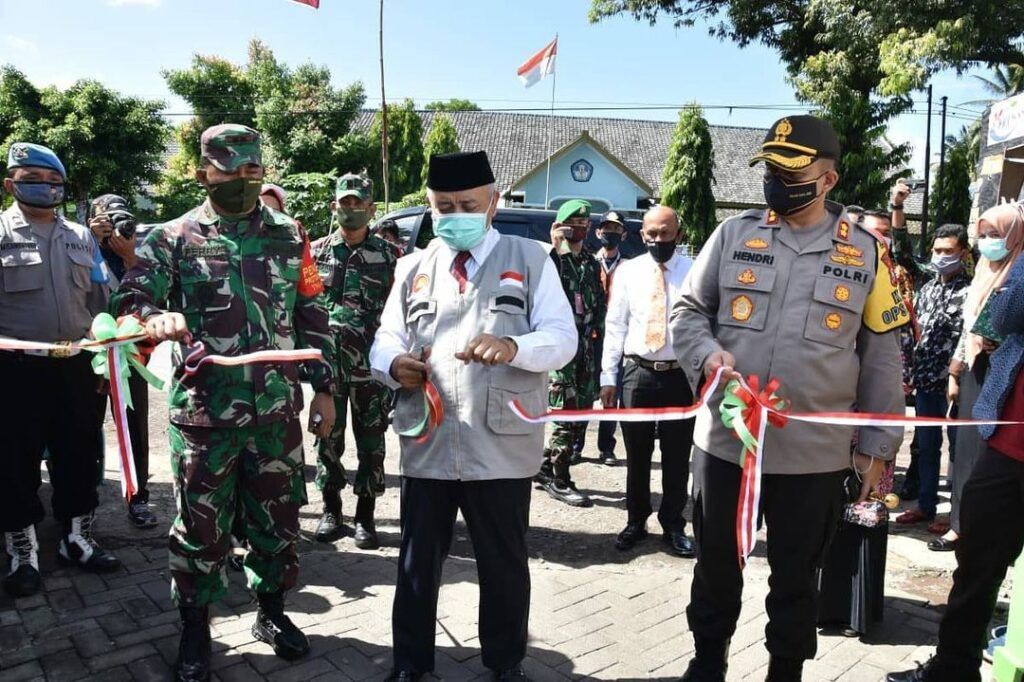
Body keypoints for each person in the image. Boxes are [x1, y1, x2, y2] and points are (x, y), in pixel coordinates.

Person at [672, 116, 907, 682]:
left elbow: (882, 359)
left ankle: (786, 671)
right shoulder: (733, 235)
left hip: (814, 456)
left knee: (798, 576)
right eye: (770, 168)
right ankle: (707, 663)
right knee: (717, 568)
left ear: (827, 181)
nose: (775, 179)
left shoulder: (869, 256)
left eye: (790, 170)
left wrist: (878, 449)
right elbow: (687, 313)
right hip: (728, 444)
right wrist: (708, 357)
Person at [110, 124, 338, 680]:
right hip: (205, 416)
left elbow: (312, 314)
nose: (242, 178)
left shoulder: (290, 233)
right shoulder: (171, 237)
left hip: (276, 415)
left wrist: (325, 389)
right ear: (203, 172)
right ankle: (194, 626)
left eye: (251, 169)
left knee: (278, 522)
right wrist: (151, 318)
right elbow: (130, 298)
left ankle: (271, 613)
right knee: (201, 530)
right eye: (229, 169)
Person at [369, 151, 577, 681]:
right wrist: (395, 364)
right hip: (428, 440)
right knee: (417, 564)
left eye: (466, 204)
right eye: (443, 205)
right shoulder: (413, 267)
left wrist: (513, 346)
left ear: (493, 202)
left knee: (503, 565)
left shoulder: (531, 258)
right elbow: (384, 340)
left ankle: (505, 664)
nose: (454, 213)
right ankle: (411, 665)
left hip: (500, 442)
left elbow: (562, 339)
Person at [887, 213, 1024, 682]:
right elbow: (1001, 317)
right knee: (976, 568)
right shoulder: (1012, 271)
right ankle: (951, 670)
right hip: (1007, 445)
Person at [0, 142, 122, 598]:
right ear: (11, 183)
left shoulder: (81, 236)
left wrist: (108, 339)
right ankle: (23, 551)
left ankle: (78, 540)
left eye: (54, 181)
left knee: (79, 453)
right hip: (15, 371)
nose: (45, 187)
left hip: (74, 365)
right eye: (32, 177)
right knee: (15, 461)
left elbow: (99, 300)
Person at [600, 206, 696, 557]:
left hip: (680, 377)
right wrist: (608, 378)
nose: (658, 240)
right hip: (637, 374)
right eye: (652, 234)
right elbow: (615, 326)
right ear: (642, 235)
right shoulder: (628, 273)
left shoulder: (694, 272)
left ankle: (673, 524)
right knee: (637, 455)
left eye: (665, 233)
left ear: (678, 234)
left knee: (676, 455)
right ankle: (636, 521)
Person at [310, 172, 399, 549]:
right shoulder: (314, 253)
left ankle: (365, 516)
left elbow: (401, 314)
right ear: (335, 206)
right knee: (326, 442)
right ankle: (331, 511)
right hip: (328, 373)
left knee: (371, 446)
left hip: (371, 372)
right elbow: (305, 309)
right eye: (344, 203)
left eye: (357, 203)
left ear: (371, 208)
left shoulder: (391, 257)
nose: (350, 209)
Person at [938, 204, 1024, 555]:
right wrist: (956, 369)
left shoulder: (1015, 270)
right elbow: (968, 327)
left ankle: (970, 528)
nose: (989, 242)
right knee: (965, 448)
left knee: (986, 458)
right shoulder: (983, 274)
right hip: (976, 367)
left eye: (997, 235)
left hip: (1004, 373)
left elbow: (1005, 322)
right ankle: (961, 520)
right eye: (984, 235)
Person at [891, 225, 970, 542]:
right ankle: (925, 505)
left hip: (957, 385)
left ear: (963, 253)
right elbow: (902, 253)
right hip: (925, 380)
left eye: (948, 251)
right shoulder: (926, 287)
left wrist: (956, 374)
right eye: (937, 251)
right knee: (925, 447)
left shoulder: (973, 290)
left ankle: (955, 516)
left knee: (959, 452)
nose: (940, 257)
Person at [88, 193, 158, 529]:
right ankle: (83, 502)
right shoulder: (79, 247)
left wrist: (129, 255)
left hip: (129, 355)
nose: (117, 227)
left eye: (122, 219)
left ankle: (138, 497)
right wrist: (91, 239)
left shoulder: (138, 251)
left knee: (134, 428)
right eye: (108, 221)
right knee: (83, 428)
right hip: (86, 355)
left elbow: (153, 294)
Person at [536, 199, 606, 507]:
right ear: (560, 226)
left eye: (584, 224)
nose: (580, 229)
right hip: (559, 347)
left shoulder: (591, 261)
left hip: (586, 347)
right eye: (573, 224)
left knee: (581, 412)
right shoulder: (551, 259)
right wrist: (557, 247)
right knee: (564, 410)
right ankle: (560, 479)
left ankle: (545, 465)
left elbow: (600, 302)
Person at [593, 210, 628, 467]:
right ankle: (574, 445)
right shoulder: (588, 263)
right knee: (582, 392)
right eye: (606, 229)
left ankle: (606, 447)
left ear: (624, 235)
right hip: (589, 338)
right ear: (598, 233)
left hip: (616, 340)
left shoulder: (630, 269)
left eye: (615, 230)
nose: (610, 234)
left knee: (610, 394)